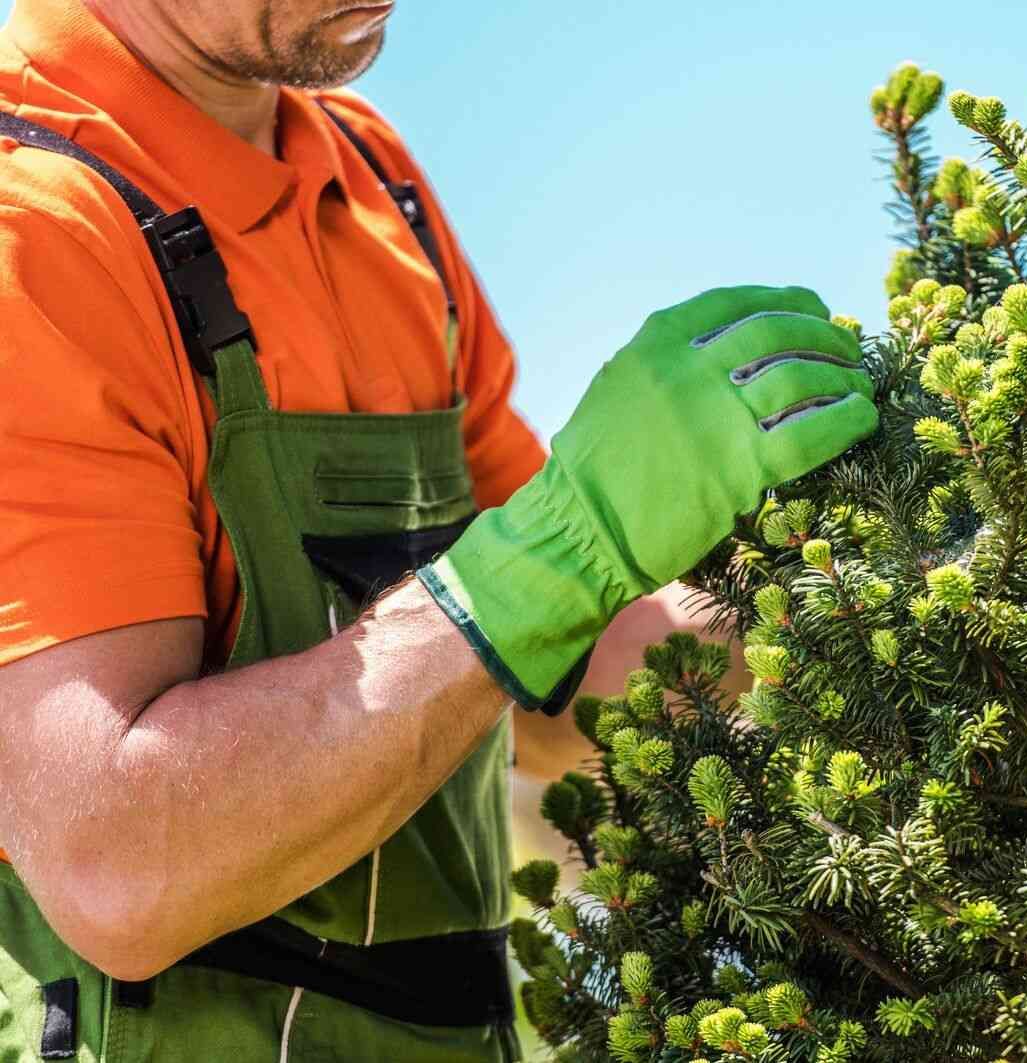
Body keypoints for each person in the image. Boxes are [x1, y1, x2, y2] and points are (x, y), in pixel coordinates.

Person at [0, 0, 879, 1058]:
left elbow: (548, 691)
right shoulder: (30, 228)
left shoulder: (371, 178)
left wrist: (855, 593)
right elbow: (116, 864)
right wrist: (559, 551)